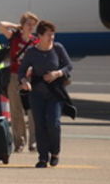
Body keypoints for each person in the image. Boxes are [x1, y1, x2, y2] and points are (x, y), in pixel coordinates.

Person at [19, 21, 73, 168]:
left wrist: (58, 73)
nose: (52, 37)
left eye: (53, 34)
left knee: (54, 123)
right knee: (40, 125)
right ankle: (43, 157)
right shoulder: (31, 52)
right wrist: (24, 81)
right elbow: (21, 71)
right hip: (37, 93)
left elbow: (69, 66)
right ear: (40, 36)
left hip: (54, 92)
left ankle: (55, 152)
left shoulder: (58, 48)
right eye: (49, 34)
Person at [0, 12, 40, 152]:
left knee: (33, 110)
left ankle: (34, 142)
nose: (31, 27)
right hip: (15, 76)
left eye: (33, 25)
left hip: (30, 78)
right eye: (28, 24)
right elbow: (1, 25)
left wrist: (33, 68)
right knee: (16, 110)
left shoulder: (35, 41)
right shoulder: (14, 37)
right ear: (23, 25)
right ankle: (19, 142)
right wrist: (16, 26)